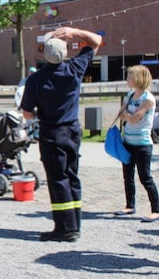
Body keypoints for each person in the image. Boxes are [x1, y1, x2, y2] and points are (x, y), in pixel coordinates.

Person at [20, 26, 103, 242]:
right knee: (72, 176)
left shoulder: (35, 80)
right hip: (72, 130)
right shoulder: (75, 68)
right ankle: (74, 223)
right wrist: (73, 31)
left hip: (51, 133)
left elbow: (27, 114)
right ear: (65, 52)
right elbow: (96, 40)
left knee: (58, 180)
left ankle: (64, 229)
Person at [114, 65, 159, 222]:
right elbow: (121, 114)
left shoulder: (147, 99)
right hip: (128, 141)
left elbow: (134, 118)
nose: (127, 79)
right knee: (128, 175)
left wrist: (127, 115)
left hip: (142, 143)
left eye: (130, 76)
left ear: (138, 78)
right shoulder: (130, 94)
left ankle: (156, 209)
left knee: (145, 176)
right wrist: (127, 115)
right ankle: (129, 205)